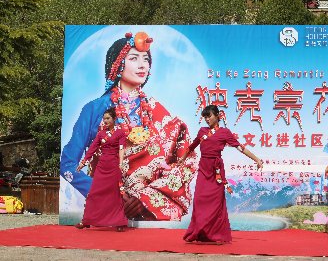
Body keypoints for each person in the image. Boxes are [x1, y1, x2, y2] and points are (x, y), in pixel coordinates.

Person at [61, 31, 196, 221]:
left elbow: (184, 158)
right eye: (134, 58)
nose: (142, 65)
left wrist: (146, 196)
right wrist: (107, 194)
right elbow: (68, 165)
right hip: (107, 207)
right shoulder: (93, 110)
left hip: (148, 211)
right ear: (117, 64)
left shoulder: (156, 109)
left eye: (146, 59)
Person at [179, 105, 263, 244]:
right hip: (203, 168)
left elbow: (240, 148)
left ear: (218, 116)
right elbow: (192, 146)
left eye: (209, 116)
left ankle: (215, 235)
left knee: (216, 203)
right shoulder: (202, 131)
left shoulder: (225, 132)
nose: (207, 119)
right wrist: (182, 159)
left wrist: (257, 159)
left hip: (216, 171)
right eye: (205, 117)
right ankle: (199, 232)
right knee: (199, 200)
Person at [75, 108, 128, 232]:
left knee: (114, 195)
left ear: (114, 119)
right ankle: (87, 220)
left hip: (114, 166)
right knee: (94, 193)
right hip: (101, 167)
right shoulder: (100, 134)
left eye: (108, 118)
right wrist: (83, 162)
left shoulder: (120, 133)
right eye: (104, 119)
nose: (105, 121)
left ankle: (119, 221)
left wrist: (120, 163)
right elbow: (92, 149)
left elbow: (121, 148)